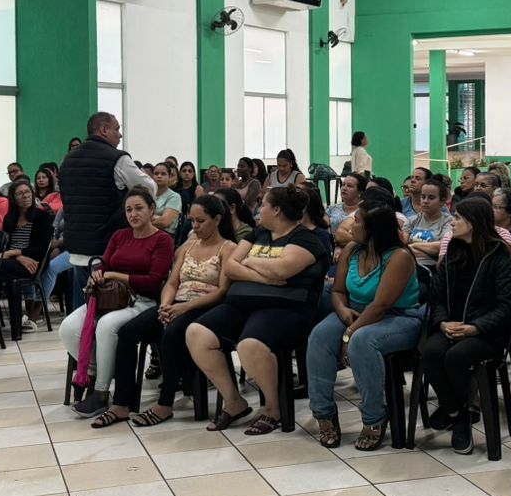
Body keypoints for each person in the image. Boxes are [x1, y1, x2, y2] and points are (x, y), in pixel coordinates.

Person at [187, 186, 329, 435]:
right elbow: (230, 267)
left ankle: (272, 408)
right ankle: (234, 402)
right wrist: (264, 276)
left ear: (277, 210)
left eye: (263, 205)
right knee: (197, 333)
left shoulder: (305, 239)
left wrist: (250, 261)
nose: (258, 209)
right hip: (242, 303)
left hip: (284, 308)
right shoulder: (259, 232)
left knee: (249, 345)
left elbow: (282, 270)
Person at [109, 197, 239, 428]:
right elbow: (171, 283)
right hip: (176, 303)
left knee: (171, 334)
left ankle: (165, 403)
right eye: (192, 221)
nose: (194, 226)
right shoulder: (188, 247)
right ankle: (121, 403)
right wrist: (165, 305)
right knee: (128, 331)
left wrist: (184, 307)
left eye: (200, 221)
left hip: (205, 307)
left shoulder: (228, 248)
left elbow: (222, 292)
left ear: (217, 220)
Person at [308, 204, 423, 450]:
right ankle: (324, 414)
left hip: (398, 316)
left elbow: (381, 305)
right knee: (319, 336)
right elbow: (338, 291)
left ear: (374, 229)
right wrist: (342, 311)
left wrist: (349, 333)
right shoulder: (352, 249)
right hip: (354, 311)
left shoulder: (399, 256)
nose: (350, 226)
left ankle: (374, 417)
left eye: (357, 221)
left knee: (362, 342)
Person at [419, 196, 511, 453]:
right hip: (451, 325)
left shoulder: (499, 256)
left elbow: (506, 307)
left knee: (455, 356)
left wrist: (475, 327)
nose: (452, 223)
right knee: (430, 352)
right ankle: (459, 415)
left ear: (473, 223)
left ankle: (452, 411)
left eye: (458, 218)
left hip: (486, 332)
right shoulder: (452, 252)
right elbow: (437, 297)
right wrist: (442, 322)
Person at [62, 187, 175, 421]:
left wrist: (114, 275)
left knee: (107, 326)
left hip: (142, 301)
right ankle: (95, 374)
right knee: (69, 328)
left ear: (152, 209)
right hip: (108, 298)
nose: (133, 214)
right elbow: (104, 265)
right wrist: (98, 274)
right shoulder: (120, 236)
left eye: (139, 208)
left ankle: (101, 392)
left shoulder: (162, 240)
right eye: (129, 210)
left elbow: (153, 281)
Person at [58, 111, 154, 294]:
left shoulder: (67, 160)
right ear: (103, 130)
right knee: (107, 304)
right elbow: (149, 188)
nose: (120, 134)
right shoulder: (117, 158)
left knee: (82, 306)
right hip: (107, 247)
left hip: (76, 245)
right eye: (116, 129)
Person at [0, 179, 54, 340]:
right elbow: (5, 245)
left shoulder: (41, 216)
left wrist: (14, 253)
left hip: (34, 263)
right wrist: (19, 256)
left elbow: (41, 250)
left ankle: (16, 325)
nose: (25, 196)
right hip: (15, 260)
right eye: (20, 193)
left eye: (28, 192)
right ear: (13, 198)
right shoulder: (10, 218)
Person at [407, 177, 454, 266]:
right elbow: (402, 246)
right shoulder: (412, 220)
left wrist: (414, 245)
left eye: (431, 198)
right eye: (423, 197)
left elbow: (442, 247)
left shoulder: (449, 221)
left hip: (432, 268)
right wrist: (429, 251)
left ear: (443, 201)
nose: (425, 201)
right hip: (409, 264)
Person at [150, 163, 183, 234]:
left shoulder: (174, 196)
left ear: (169, 177)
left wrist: (145, 220)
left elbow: (165, 222)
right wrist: (157, 217)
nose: (159, 176)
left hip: (165, 234)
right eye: (156, 173)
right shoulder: (148, 194)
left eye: (163, 174)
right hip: (146, 232)